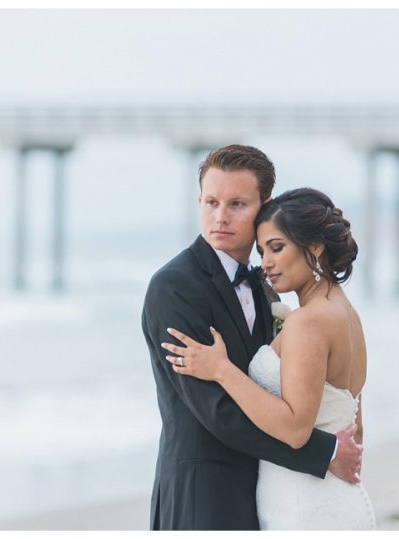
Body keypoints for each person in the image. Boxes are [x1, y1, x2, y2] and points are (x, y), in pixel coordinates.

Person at [141, 145, 363, 530]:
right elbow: (216, 411)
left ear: (264, 205)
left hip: (268, 490)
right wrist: (323, 454)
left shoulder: (266, 287)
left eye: (237, 204)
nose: (220, 217)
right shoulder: (173, 288)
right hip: (203, 496)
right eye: (211, 202)